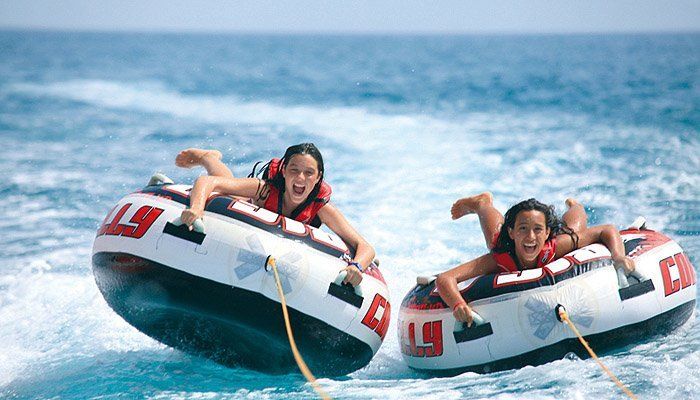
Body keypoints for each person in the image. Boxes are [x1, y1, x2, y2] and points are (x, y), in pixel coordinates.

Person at [174, 144, 375, 287]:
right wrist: (196, 209)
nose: (300, 178)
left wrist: (357, 266)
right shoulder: (264, 189)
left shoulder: (322, 209)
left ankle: (209, 157)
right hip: (248, 210)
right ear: (284, 171)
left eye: (309, 173)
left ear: (318, 177)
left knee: (230, 187)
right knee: (228, 191)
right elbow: (207, 182)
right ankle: (208, 158)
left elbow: (365, 247)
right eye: (294, 170)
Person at [435, 192, 636, 326]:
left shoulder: (556, 246)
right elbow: (445, 278)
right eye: (522, 229)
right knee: (494, 240)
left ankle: (575, 205)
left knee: (574, 230)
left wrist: (619, 256)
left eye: (538, 230)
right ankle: (482, 204)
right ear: (512, 232)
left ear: (547, 233)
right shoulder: (499, 258)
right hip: (506, 244)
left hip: (560, 234)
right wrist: (458, 305)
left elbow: (607, 230)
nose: (530, 237)